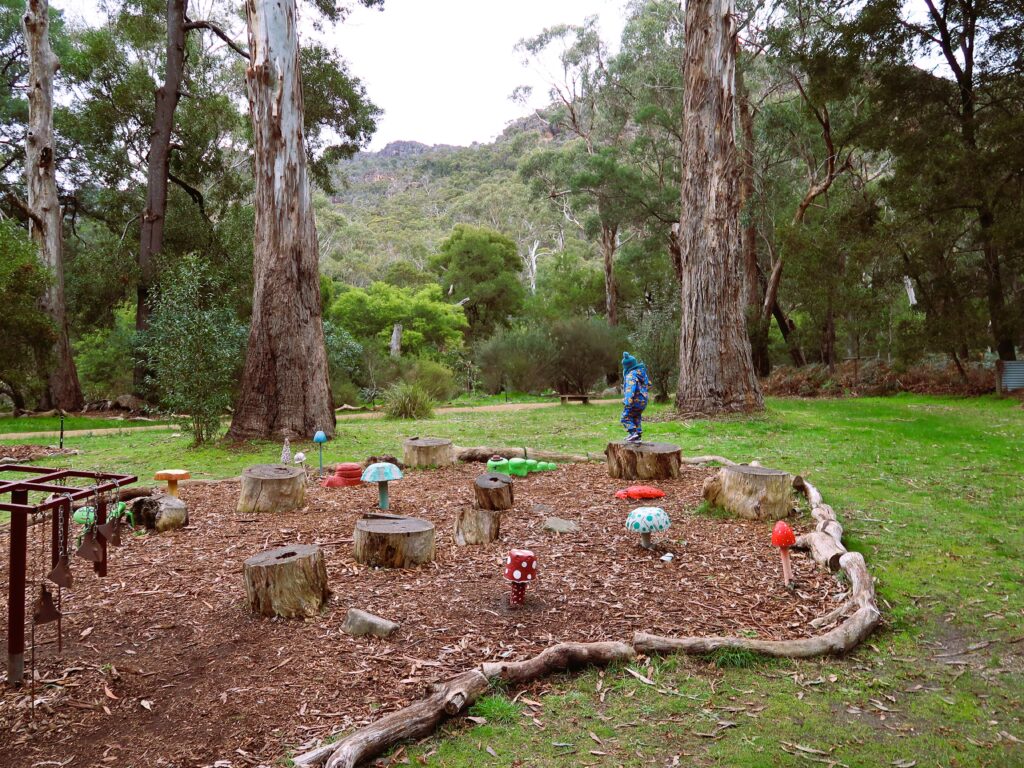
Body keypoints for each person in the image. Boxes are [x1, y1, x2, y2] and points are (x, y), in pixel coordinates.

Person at [620, 352, 650, 443]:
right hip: (643, 400)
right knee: (636, 416)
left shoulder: (630, 375)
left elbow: (630, 389)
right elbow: (649, 384)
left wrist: (627, 401)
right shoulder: (641, 372)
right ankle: (638, 435)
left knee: (625, 417)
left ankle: (633, 434)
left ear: (626, 367)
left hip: (634, 400)